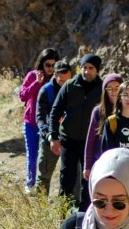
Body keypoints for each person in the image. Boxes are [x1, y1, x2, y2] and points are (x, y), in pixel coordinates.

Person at [49, 53, 103, 207]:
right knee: (66, 180)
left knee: (88, 180)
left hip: (91, 143)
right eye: (84, 68)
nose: (86, 71)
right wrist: (54, 137)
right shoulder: (70, 86)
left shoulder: (102, 89)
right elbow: (55, 112)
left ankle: (84, 216)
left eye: (91, 68)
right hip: (69, 141)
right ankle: (63, 216)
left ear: (97, 70)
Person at [20, 48, 59, 194]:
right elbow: (22, 96)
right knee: (32, 154)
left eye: (53, 65)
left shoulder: (57, 81)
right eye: (47, 65)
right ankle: (30, 183)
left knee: (45, 157)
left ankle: (42, 184)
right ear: (42, 64)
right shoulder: (32, 76)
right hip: (31, 122)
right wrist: (36, 83)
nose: (50, 68)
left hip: (48, 125)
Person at [36, 60, 72, 196]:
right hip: (49, 138)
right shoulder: (46, 91)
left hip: (70, 139)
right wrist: (49, 135)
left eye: (67, 80)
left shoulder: (74, 89)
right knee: (44, 176)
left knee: (70, 178)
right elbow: (40, 117)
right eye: (61, 80)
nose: (64, 84)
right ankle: (41, 210)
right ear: (55, 75)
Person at [83, 73, 123, 182]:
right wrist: (87, 166)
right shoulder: (98, 111)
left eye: (117, 88)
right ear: (105, 90)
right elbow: (90, 140)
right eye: (109, 88)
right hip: (101, 161)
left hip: (122, 162)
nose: (114, 91)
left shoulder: (127, 110)